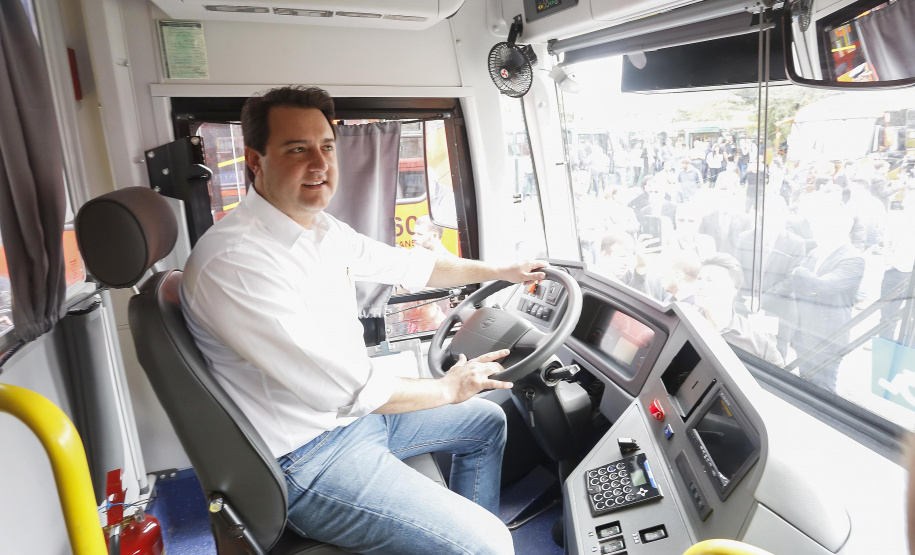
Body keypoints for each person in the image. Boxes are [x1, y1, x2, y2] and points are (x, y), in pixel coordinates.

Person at [180, 86, 546, 555]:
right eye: (297, 149)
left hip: (350, 420)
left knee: (487, 423)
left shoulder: (319, 229)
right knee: (490, 544)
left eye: (326, 147)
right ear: (256, 160)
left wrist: (498, 271)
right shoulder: (237, 260)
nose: (320, 164)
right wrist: (446, 388)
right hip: (306, 458)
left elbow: (413, 267)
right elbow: (342, 387)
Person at [693, 254, 784, 366]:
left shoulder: (758, 340)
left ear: (732, 290)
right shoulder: (684, 323)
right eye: (699, 279)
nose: (700, 285)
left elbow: (776, 380)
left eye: (709, 280)